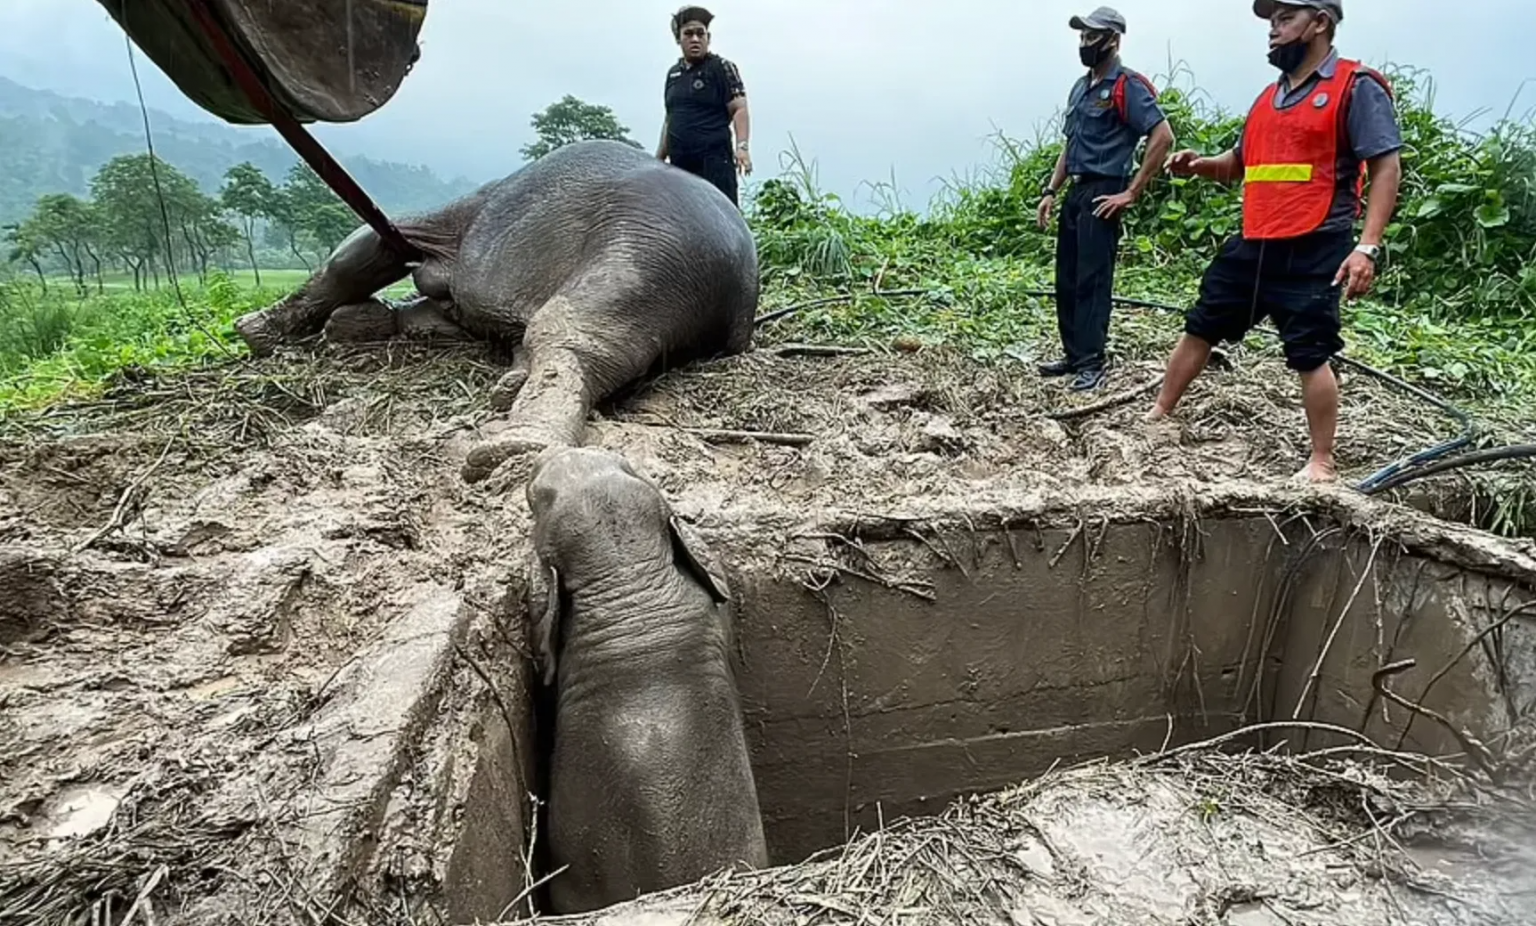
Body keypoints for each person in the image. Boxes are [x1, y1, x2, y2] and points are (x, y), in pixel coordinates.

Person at [1146, 0, 1403, 484]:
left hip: (1316, 244)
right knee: (1202, 324)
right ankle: (1159, 413)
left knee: (1311, 350)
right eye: (1271, 22)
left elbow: (1387, 167)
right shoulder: (1268, 98)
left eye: (1285, 20)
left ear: (1320, 23)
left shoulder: (1356, 87)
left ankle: (1321, 461)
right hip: (1255, 240)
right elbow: (1240, 164)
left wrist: (1366, 247)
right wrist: (1200, 164)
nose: (1273, 30)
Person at [1037, 6, 1175, 392]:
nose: (1085, 43)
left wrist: (1131, 191)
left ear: (1113, 40)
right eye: (1082, 36)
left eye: (1092, 36)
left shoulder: (1127, 85)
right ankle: (1073, 354)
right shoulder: (1080, 87)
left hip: (1105, 188)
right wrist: (1051, 191)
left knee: (1093, 279)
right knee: (1067, 276)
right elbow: (1071, 143)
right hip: (1077, 190)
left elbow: (1162, 136)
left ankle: (1092, 361)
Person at [656, 6, 752, 207]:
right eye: (688, 34)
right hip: (680, 166)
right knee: (682, 221)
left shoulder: (722, 67)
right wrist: (658, 159)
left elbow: (739, 108)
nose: (695, 39)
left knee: (721, 221)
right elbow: (670, 118)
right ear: (678, 39)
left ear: (708, 37)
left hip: (714, 162)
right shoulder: (673, 74)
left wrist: (742, 147)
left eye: (700, 34)